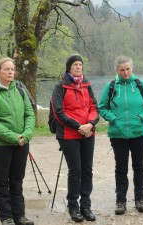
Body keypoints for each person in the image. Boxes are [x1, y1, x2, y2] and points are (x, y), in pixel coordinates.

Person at [98, 55, 143, 215]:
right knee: (121, 168)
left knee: (139, 167)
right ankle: (120, 201)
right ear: (117, 70)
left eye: (128, 69)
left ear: (132, 68)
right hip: (118, 134)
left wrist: (142, 117)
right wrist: (112, 118)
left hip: (139, 133)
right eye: (122, 70)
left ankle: (140, 199)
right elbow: (102, 107)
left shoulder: (140, 84)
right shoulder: (111, 86)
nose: (125, 72)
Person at [0, 57, 35, 225]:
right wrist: (13, 137)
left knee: (17, 181)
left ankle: (19, 216)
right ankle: (6, 217)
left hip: (21, 143)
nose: (11, 72)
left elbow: (29, 113)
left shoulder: (20, 90)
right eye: (6, 69)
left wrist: (26, 135)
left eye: (12, 69)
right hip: (0, 145)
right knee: (1, 181)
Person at [51, 54, 99, 222]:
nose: (78, 67)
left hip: (88, 133)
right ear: (69, 68)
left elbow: (94, 107)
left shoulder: (87, 85)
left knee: (87, 170)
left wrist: (91, 124)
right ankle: (73, 207)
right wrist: (78, 126)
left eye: (80, 64)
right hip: (69, 135)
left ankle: (86, 206)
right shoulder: (60, 86)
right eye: (75, 65)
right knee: (75, 170)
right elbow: (58, 112)